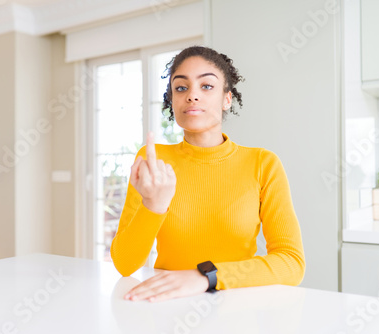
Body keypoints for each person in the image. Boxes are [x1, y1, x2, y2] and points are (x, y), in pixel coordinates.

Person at [110, 46, 305, 303]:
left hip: (237, 307)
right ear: (172, 99)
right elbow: (125, 264)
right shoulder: (153, 161)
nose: (192, 95)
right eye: (181, 88)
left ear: (227, 98)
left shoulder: (262, 164)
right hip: (168, 306)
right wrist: (153, 206)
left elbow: (291, 263)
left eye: (207, 86)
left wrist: (206, 277)